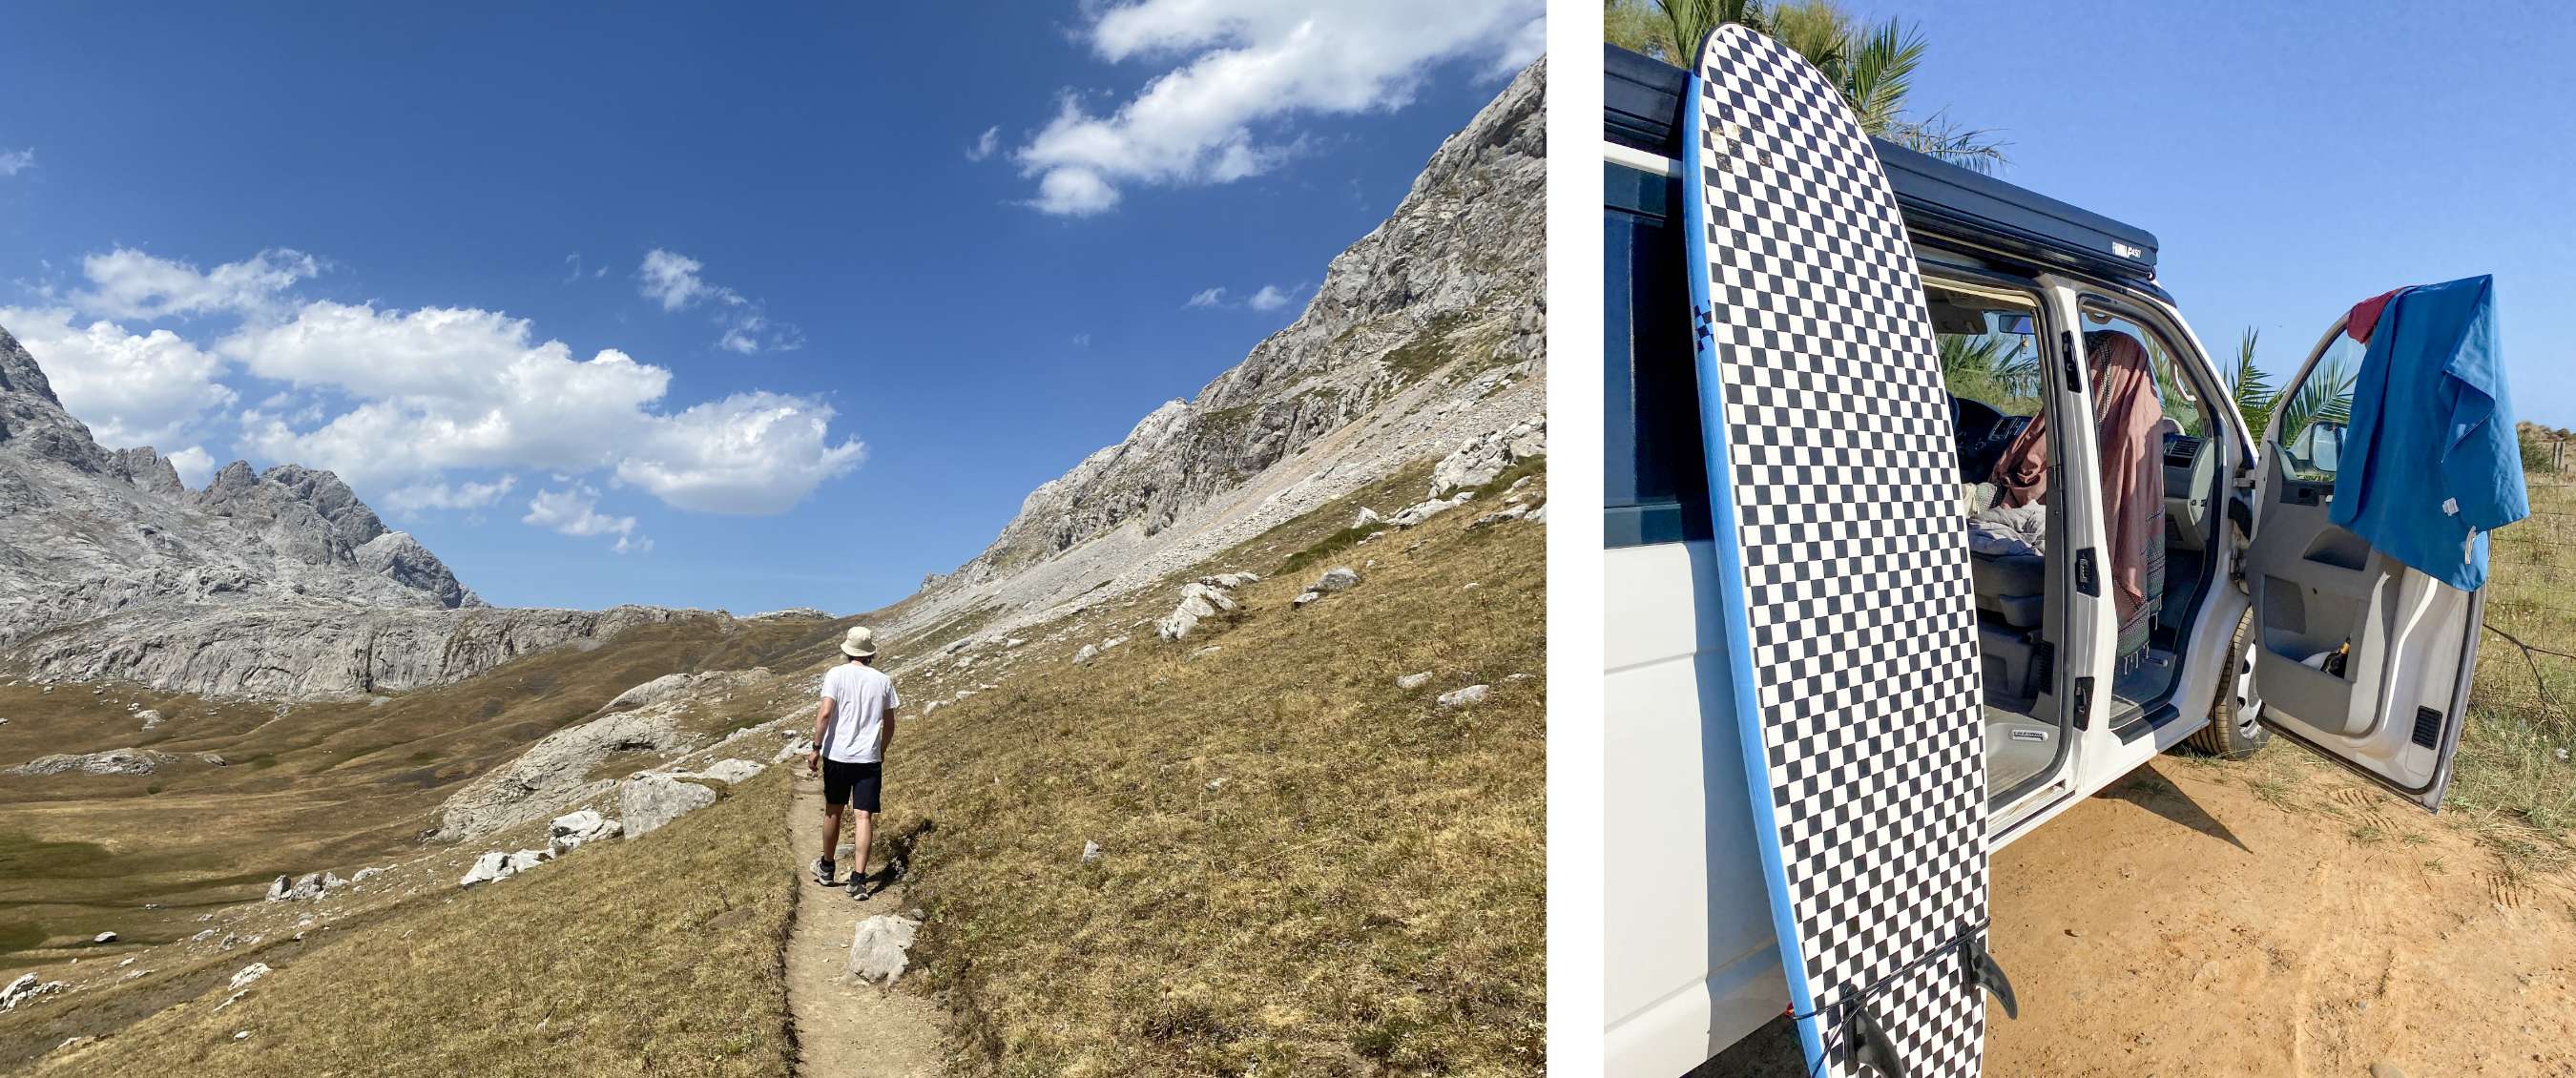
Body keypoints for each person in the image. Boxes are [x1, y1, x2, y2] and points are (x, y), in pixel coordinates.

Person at [808, 625, 899, 900]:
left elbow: (825, 714)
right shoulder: (883, 681)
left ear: (848, 650)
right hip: (868, 757)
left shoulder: (836, 674)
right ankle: (859, 880)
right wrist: (880, 749)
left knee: (833, 810)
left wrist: (815, 748)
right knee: (863, 816)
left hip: (837, 755)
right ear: (870, 653)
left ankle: (827, 867)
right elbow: (890, 723)